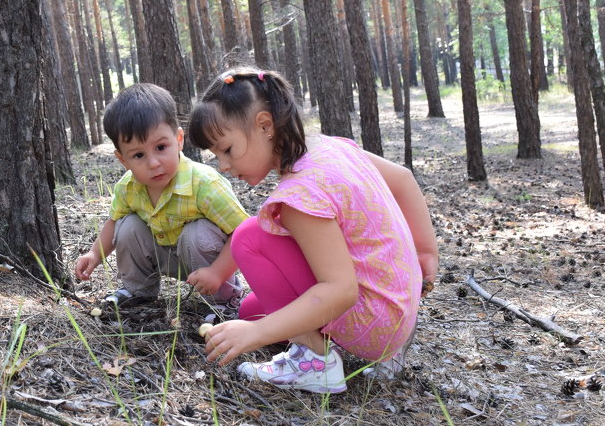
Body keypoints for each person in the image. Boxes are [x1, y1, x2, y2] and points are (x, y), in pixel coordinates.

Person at [186, 67, 438, 394]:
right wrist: (425, 253)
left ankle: (315, 361)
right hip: (400, 305)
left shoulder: (299, 196)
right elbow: (403, 178)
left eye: (227, 150)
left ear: (264, 126)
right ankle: (376, 352)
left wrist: (256, 335)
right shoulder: (330, 147)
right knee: (250, 311)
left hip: (372, 321)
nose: (223, 166)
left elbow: (341, 291)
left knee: (249, 238)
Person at [75, 83, 248, 319]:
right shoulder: (128, 187)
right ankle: (138, 290)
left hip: (208, 262)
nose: (153, 163)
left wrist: (218, 273)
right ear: (122, 159)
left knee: (197, 233)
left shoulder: (204, 184)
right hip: (165, 255)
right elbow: (113, 224)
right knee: (127, 226)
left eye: (161, 147)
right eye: (138, 155)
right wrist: (94, 255)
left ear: (178, 139)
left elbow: (243, 233)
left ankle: (225, 301)